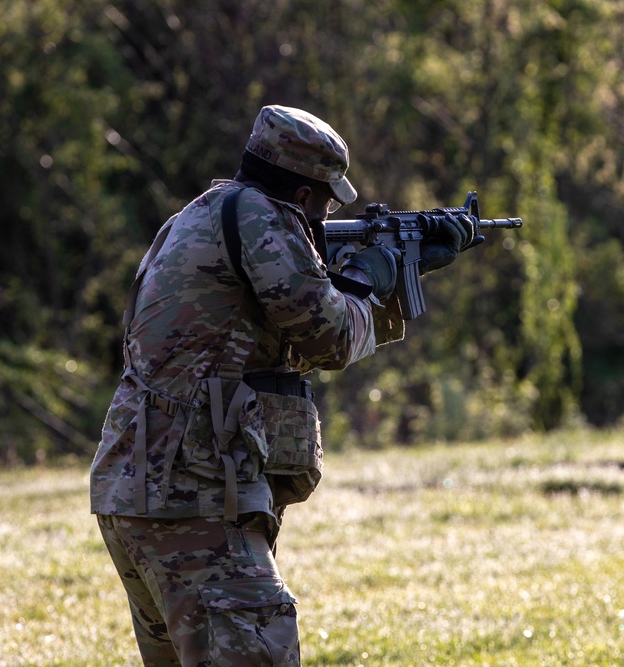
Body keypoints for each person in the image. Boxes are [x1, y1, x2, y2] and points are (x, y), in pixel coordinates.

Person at [90, 105, 476, 666]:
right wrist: (374, 273)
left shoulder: (199, 216)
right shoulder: (262, 221)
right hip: (192, 495)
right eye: (323, 203)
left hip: (138, 487)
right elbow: (331, 337)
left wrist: (394, 270)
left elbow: (257, 341)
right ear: (301, 195)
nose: (322, 218)